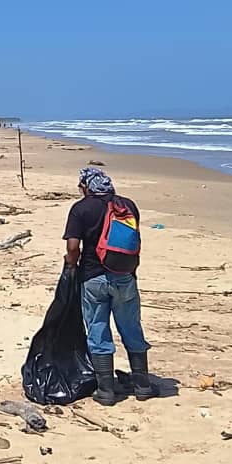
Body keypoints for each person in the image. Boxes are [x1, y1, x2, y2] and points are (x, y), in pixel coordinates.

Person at [62, 168, 158, 406]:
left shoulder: (81, 209)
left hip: (93, 278)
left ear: (87, 186)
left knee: (98, 330)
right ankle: (143, 385)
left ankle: (105, 390)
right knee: (131, 328)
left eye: (81, 186)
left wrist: (71, 266)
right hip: (124, 276)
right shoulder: (127, 205)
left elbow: (73, 247)